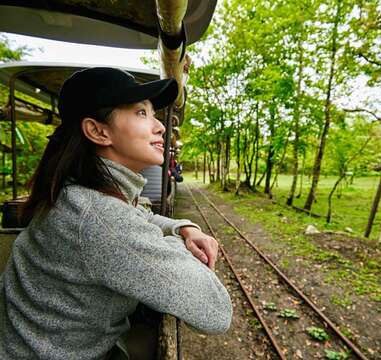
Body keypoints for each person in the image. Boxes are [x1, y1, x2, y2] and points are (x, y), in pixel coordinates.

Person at [0, 67, 232, 359]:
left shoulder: (76, 192)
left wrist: (185, 228)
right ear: (98, 131)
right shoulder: (101, 218)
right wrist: (172, 244)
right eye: (141, 113)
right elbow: (216, 310)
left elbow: (139, 215)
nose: (160, 126)